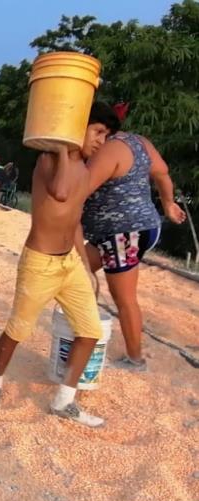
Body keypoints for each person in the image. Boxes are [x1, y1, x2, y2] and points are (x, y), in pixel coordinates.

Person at [0, 104, 116, 428]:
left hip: (68, 263)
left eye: (106, 136)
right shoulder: (50, 159)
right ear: (77, 126)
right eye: (97, 132)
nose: (101, 141)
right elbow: (59, 191)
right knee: (18, 329)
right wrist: (61, 143)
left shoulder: (83, 169)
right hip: (39, 263)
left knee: (90, 332)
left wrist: (84, 264)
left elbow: (75, 220)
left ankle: (64, 400)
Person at [82, 104, 187, 371]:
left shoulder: (107, 151)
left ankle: (135, 358)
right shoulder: (138, 141)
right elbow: (162, 172)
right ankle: (83, 325)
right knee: (75, 268)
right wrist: (167, 204)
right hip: (141, 227)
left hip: (122, 234)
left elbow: (78, 192)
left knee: (123, 297)